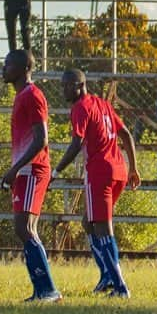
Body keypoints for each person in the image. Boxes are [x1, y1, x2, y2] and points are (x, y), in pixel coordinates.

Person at [54, 68, 141, 298]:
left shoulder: (80, 108)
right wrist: (133, 167)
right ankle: (106, 276)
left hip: (99, 172)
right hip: (118, 170)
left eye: (66, 85)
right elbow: (126, 135)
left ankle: (120, 285)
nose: (63, 89)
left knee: (103, 228)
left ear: (79, 85)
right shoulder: (102, 104)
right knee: (88, 222)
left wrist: (57, 170)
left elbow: (76, 143)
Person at [0, 49, 62, 302]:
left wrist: (16, 168)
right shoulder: (21, 96)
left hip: (33, 170)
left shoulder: (33, 95)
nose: (3, 68)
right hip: (24, 170)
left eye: (7, 64)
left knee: (24, 227)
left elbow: (41, 139)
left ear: (24, 67)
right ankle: (41, 290)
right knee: (26, 228)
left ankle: (47, 289)